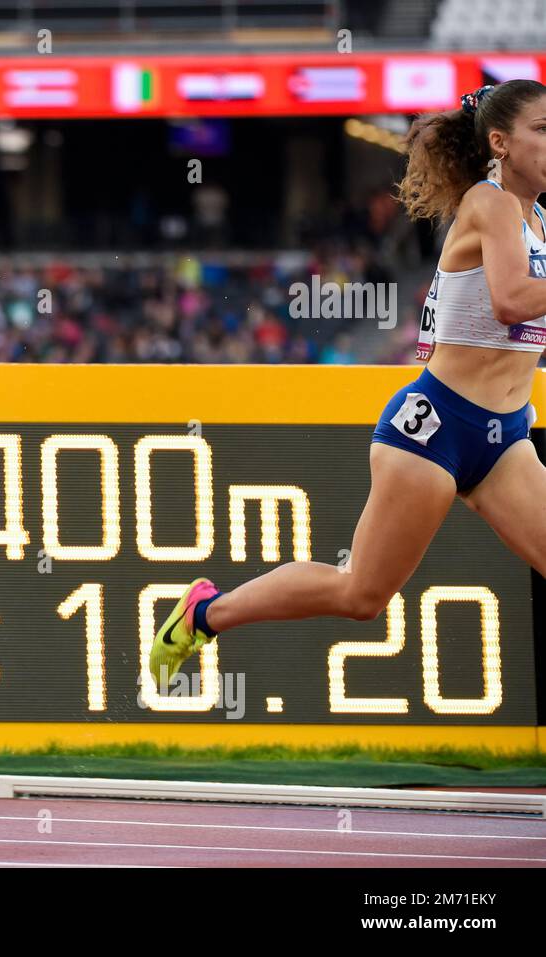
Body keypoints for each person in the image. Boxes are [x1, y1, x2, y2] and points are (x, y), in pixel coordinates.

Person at [148, 80, 546, 689]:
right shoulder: (489, 203)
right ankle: (205, 612)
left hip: (506, 437)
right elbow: (514, 301)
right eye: (542, 129)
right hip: (437, 427)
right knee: (361, 594)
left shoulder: (539, 217)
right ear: (500, 142)